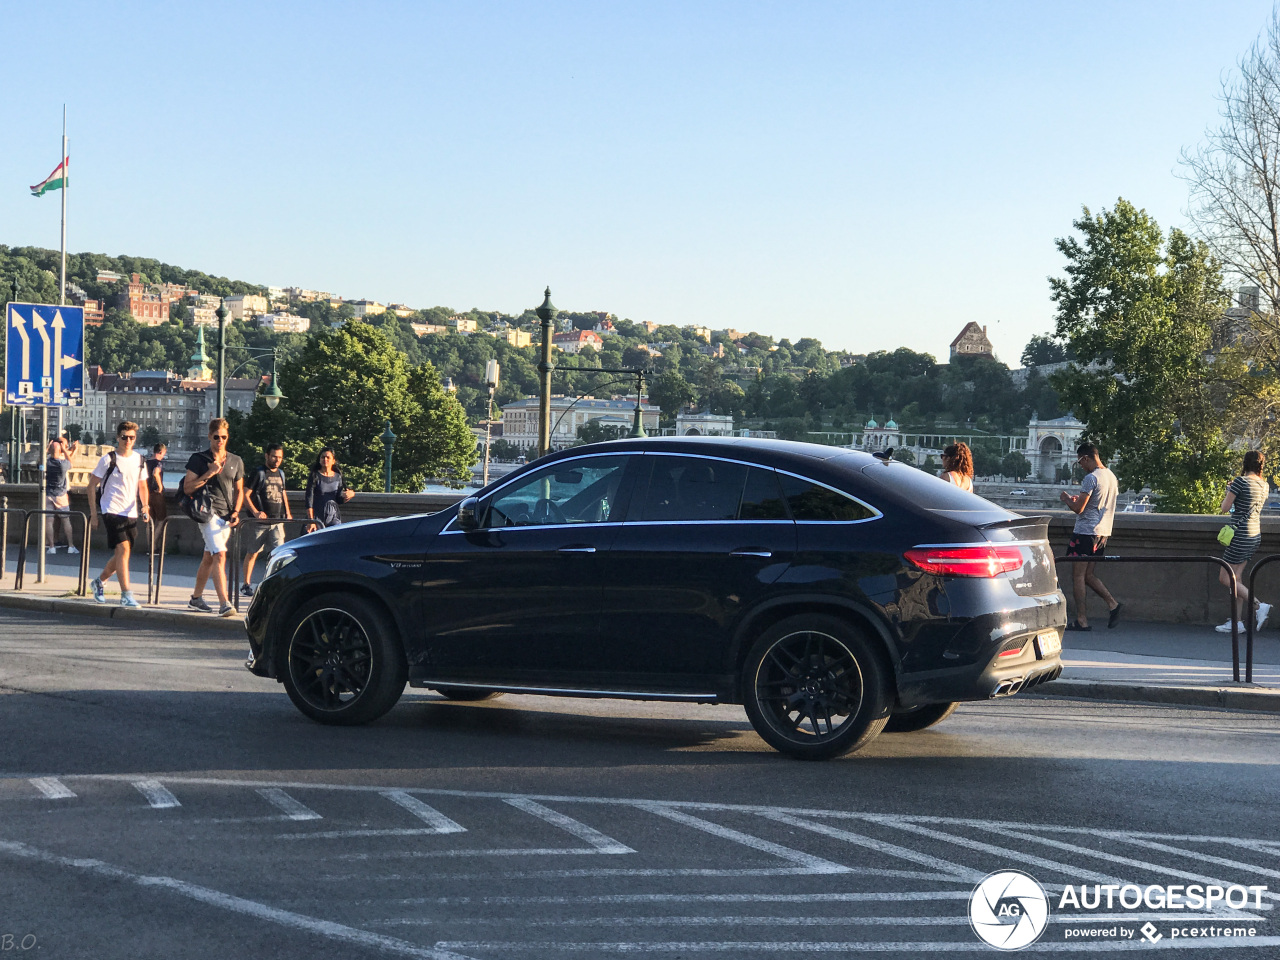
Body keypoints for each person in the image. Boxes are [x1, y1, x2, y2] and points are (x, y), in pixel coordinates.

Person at [183, 418, 245, 617]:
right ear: (209, 436)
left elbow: (240, 489)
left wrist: (236, 511)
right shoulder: (199, 459)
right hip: (207, 512)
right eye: (216, 437)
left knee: (209, 557)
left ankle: (195, 599)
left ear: (228, 438)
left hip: (227, 516)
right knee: (220, 554)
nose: (220, 440)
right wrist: (209, 473)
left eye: (223, 437)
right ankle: (224, 603)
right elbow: (187, 487)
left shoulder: (236, 460)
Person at [1059, 442, 1122, 631]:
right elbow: (1098, 503)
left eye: (1080, 462)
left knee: (1078, 576)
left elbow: (1079, 509)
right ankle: (1113, 604)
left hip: (1086, 532)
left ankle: (1081, 620)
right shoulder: (1111, 476)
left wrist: (1067, 500)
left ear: (1085, 458)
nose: (1080, 466)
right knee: (1088, 575)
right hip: (1102, 533)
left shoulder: (1091, 478)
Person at [87, 422, 150, 608]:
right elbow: (91, 486)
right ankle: (126, 594)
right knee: (123, 549)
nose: (128, 441)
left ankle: (99, 581)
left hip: (130, 511)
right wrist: (94, 514)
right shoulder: (109, 460)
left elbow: (143, 486)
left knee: (124, 553)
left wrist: (145, 506)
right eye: (124, 437)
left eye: (131, 437)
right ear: (118, 438)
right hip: (111, 509)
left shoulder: (140, 460)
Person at [1216, 450, 1272, 634]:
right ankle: (1237, 622)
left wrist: (1229, 491)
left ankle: (1258, 605)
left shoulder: (1240, 482)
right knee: (1236, 578)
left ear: (1245, 463)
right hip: (1255, 534)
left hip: (1239, 535)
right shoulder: (1264, 485)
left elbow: (1225, 508)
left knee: (1225, 578)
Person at [241, 442, 292, 597]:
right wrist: (256, 512)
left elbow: (283, 493)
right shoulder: (259, 472)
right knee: (253, 553)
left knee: (279, 555)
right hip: (259, 523)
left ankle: (274, 584)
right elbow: (245, 494)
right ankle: (246, 584)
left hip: (277, 521)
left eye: (280, 458)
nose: (277, 460)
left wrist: (288, 513)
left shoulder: (281, 474)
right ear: (267, 456)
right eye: (274, 457)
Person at [45, 434, 79, 554]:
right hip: (61, 495)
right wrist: (67, 450)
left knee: (48, 521)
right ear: (60, 450)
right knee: (66, 520)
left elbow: (40, 462)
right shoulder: (62, 464)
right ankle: (70, 546)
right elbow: (70, 462)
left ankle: (52, 547)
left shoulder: (47, 463)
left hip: (48, 494)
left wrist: (47, 449)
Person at [305, 446, 353, 528]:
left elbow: (338, 499)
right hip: (317, 516)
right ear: (319, 460)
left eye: (328, 457)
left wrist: (349, 495)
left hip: (333, 516)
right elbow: (309, 499)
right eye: (323, 457)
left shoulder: (338, 477)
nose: (325, 459)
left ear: (333, 461)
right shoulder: (315, 476)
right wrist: (311, 520)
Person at [145, 442, 168, 524]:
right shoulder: (158, 463)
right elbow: (155, 473)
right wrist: (160, 486)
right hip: (156, 493)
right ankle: (155, 537)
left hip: (147, 494)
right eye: (163, 454)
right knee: (162, 520)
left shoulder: (146, 463)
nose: (163, 456)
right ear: (161, 452)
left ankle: (150, 537)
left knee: (150, 521)